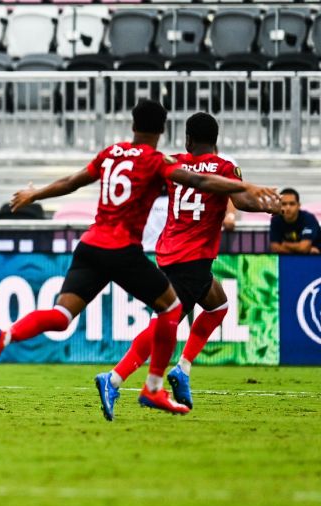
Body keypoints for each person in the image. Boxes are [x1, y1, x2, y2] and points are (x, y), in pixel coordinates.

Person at [0, 100, 279, 421]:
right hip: (129, 251)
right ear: (163, 130)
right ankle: (145, 386)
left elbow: (73, 181)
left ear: (133, 125)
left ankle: (4, 335)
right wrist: (247, 185)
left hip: (92, 245)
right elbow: (205, 184)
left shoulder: (112, 153)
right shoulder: (160, 161)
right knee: (171, 310)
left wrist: (34, 195)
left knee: (62, 315)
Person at [101, 112, 277, 409]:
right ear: (216, 142)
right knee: (165, 323)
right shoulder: (224, 167)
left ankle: (182, 368)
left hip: (171, 252)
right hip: (192, 257)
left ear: (188, 139)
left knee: (218, 304)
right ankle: (114, 377)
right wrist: (272, 208)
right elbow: (244, 202)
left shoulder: (172, 162)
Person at [269, 188, 319, 255]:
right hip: (287, 260)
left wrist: (285, 244)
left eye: (292, 204)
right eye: (284, 204)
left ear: (299, 205)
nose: (288, 208)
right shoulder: (276, 220)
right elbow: (275, 248)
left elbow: (304, 248)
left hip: (313, 259)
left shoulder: (308, 218)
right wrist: (301, 249)